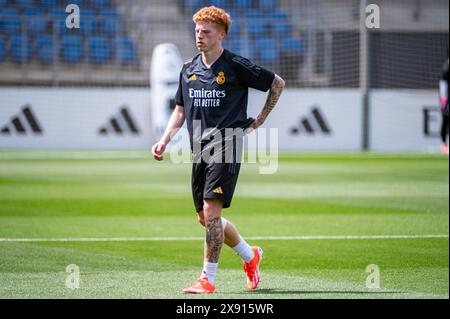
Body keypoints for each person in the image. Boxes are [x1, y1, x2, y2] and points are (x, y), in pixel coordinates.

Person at [151, 6, 285, 294]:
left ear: (221, 35)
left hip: (227, 144)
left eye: (206, 31)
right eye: (197, 30)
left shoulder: (236, 65)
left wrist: (259, 120)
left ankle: (207, 279)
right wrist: (164, 139)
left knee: (212, 213)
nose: (199, 36)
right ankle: (251, 256)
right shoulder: (188, 69)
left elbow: (277, 84)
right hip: (198, 149)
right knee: (205, 218)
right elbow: (180, 109)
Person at [439, 57, 449, 154]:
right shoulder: (446, 69)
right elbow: (443, 87)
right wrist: (444, 103)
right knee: (445, 121)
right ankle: (444, 144)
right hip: (446, 101)